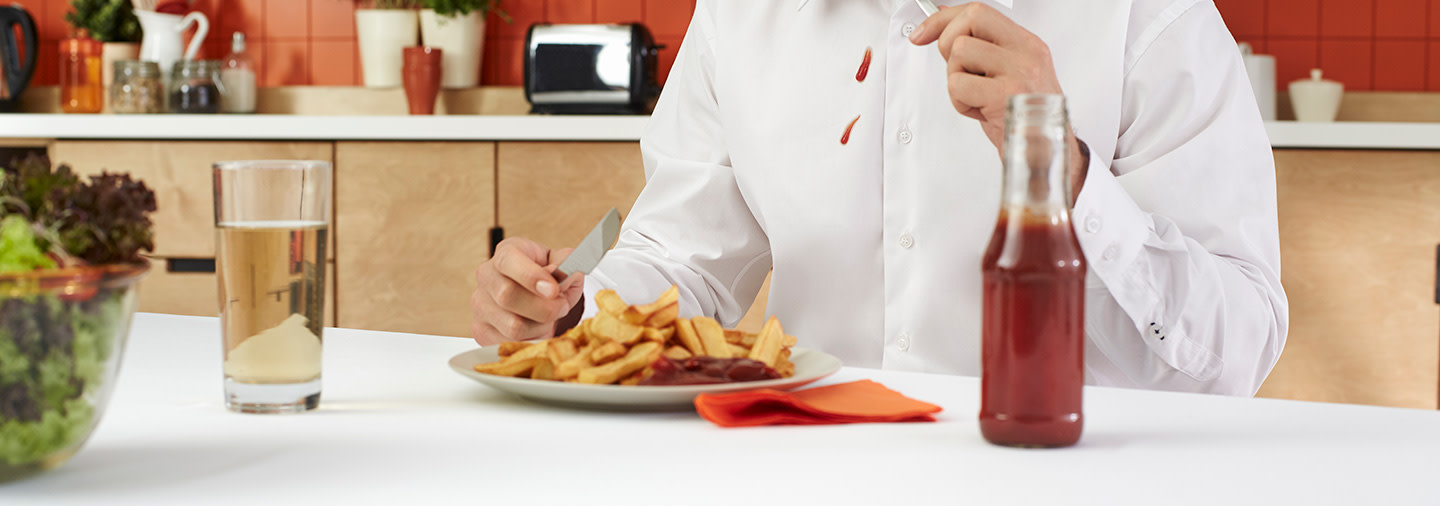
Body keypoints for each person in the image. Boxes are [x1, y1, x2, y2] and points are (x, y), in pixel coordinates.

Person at [470, 0, 1287, 396]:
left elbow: (1240, 344)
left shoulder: (1146, 17)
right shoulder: (741, 16)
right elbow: (683, 257)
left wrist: (1066, 173)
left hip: (1069, 476)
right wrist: (572, 315)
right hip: (802, 469)